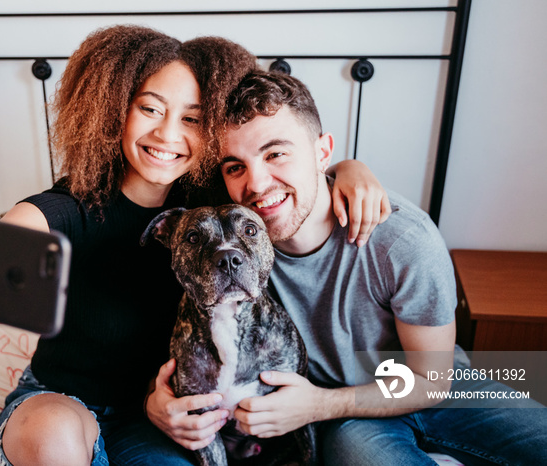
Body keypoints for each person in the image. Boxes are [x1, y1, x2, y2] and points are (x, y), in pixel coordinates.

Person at [0, 28, 389, 466]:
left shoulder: (209, 207)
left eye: (194, 119)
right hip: (65, 398)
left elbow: (278, 177)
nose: (169, 133)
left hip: (160, 416)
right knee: (54, 434)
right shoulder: (72, 205)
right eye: (150, 108)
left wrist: (346, 168)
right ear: (113, 108)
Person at [158, 68, 545, 465]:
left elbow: (434, 381)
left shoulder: (402, 241)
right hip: (355, 418)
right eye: (235, 166)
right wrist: (156, 407)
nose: (257, 183)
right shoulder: (235, 249)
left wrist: (318, 405)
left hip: (439, 389)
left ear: (322, 153)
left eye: (276, 153)